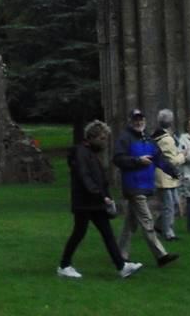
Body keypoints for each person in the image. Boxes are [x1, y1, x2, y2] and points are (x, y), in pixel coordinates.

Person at [58, 119, 140, 280]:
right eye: (102, 139)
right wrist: (101, 195)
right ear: (92, 137)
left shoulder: (89, 154)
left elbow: (96, 178)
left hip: (94, 202)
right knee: (79, 233)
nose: (104, 143)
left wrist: (104, 196)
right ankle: (64, 265)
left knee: (107, 233)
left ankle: (122, 266)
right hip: (85, 202)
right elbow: (85, 177)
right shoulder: (82, 152)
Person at [112, 109, 178, 268]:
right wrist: (137, 161)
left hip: (145, 186)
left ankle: (121, 254)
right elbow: (118, 159)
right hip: (133, 187)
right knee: (148, 222)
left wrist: (173, 172)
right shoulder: (125, 139)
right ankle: (161, 255)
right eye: (135, 119)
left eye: (141, 119)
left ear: (145, 121)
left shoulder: (149, 139)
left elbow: (159, 159)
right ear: (130, 121)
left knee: (130, 223)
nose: (138, 122)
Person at [151, 108, 185, 241]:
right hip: (165, 176)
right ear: (170, 122)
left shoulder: (158, 136)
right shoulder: (167, 139)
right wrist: (183, 155)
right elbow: (172, 161)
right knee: (169, 206)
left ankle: (159, 226)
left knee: (174, 204)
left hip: (165, 176)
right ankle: (168, 233)